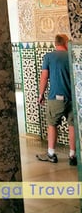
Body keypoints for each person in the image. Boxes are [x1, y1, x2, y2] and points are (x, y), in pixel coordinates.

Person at [36, 33, 77, 166]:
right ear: (66, 43)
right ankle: (73, 155)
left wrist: (41, 94)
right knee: (72, 126)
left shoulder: (49, 57)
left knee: (52, 125)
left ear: (55, 43)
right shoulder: (72, 55)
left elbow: (44, 77)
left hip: (55, 98)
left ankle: (51, 154)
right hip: (73, 98)